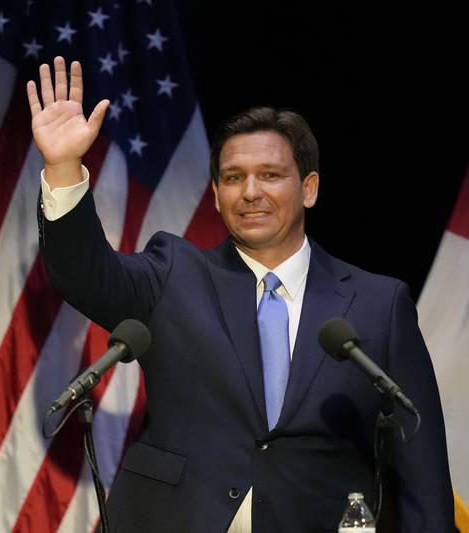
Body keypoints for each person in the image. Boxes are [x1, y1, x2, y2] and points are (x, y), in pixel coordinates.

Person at [27, 57, 453, 532]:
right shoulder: (175, 272)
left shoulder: (379, 305)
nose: (250, 192)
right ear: (215, 194)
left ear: (308, 188)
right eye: (233, 177)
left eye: (270, 175)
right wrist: (63, 166)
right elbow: (84, 275)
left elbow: (421, 470)